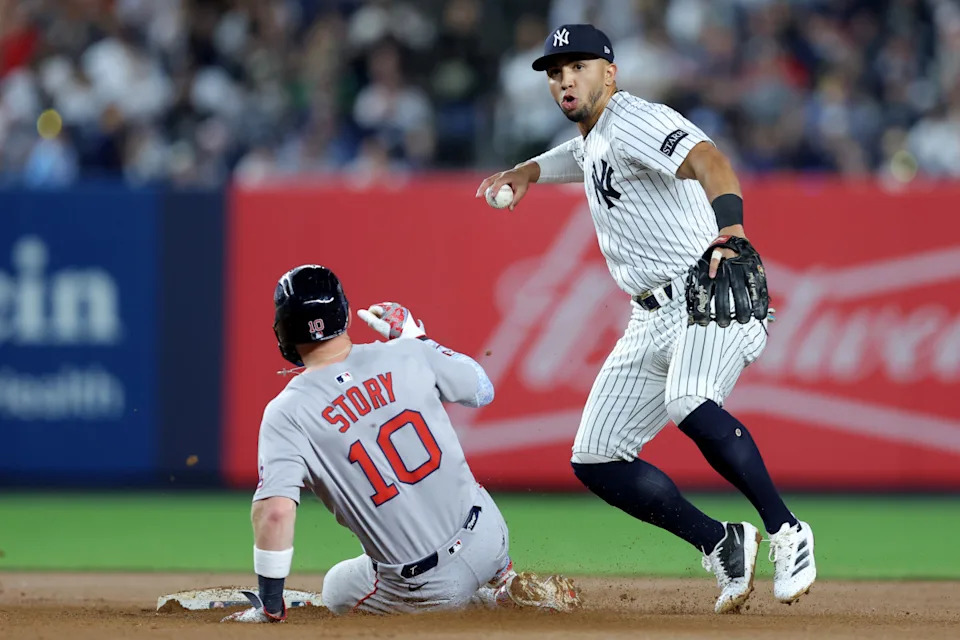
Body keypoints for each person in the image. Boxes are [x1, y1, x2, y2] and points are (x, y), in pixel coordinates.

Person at [476, 24, 816, 614]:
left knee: (689, 399)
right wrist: (526, 173)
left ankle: (788, 531)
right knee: (596, 457)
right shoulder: (596, 134)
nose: (564, 80)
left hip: (707, 291)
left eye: (577, 67)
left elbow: (709, 158)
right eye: (555, 73)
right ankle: (721, 542)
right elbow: (576, 156)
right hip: (650, 315)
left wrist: (731, 227)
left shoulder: (633, 118)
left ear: (609, 72)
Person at [223, 265, 581, 622]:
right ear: (345, 312)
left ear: (283, 331)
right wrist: (417, 338)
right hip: (490, 537)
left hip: (426, 586)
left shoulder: (286, 412)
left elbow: (275, 512)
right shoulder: (405, 352)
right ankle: (505, 585)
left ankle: (479, 604)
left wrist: (270, 608)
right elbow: (481, 389)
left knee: (336, 588)